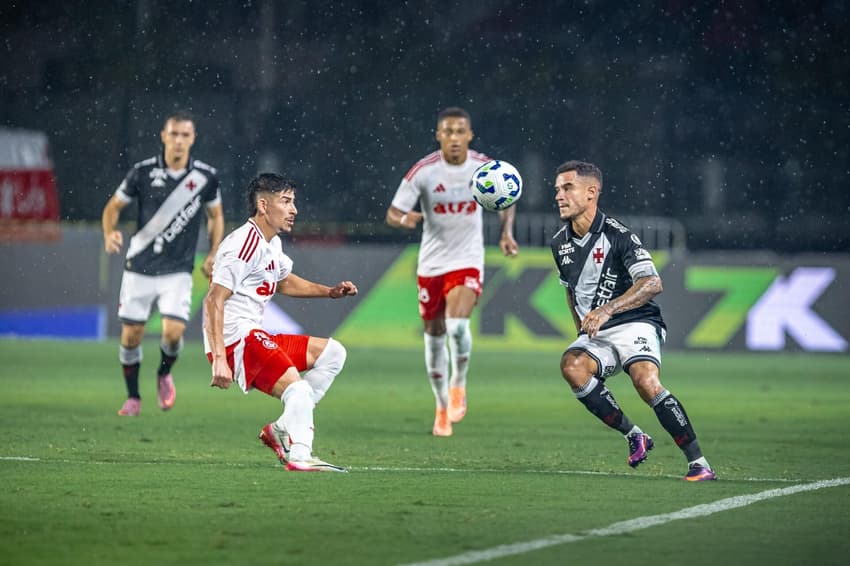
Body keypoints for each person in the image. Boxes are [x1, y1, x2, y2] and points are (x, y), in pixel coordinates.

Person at [549, 160, 716, 481]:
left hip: (636, 321)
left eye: (567, 188)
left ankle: (699, 463)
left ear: (590, 192)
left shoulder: (619, 235)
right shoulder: (559, 243)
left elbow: (653, 283)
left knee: (644, 381)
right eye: (557, 189)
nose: (559, 195)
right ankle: (634, 435)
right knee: (572, 365)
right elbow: (570, 290)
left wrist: (607, 309)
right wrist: (579, 328)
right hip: (598, 331)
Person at [203, 172, 357, 472]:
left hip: (253, 334)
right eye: (286, 201)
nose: (294, 210)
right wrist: (219, 359)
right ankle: (300, 454)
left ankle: (283, 427)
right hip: (235, 340)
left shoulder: (270, 243)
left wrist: (330, 292)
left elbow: (284, 282)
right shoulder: (243, 245)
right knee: (297, 390)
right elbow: (213, 299)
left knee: (333, 354)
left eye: (293, 202)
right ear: (263, 205)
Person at [386, 107, 519, 437]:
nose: (455, 138)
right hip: (431, 263)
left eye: (460, 131)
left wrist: (506, 232)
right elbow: (392, 212)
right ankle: (441, 407)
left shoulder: (484, 167)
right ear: (438, 135)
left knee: (458, 326)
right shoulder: (425, 171)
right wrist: (406, 219)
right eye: (448, 132)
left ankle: (458, 384)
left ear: (470, 135)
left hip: (468, 259)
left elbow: (509, 195)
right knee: (434, 340)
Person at [102, 110, 224, 417]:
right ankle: (133, 397)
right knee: (131, 338)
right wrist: (109, 232)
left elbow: (216, 216)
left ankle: (164, 372)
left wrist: (213, 253)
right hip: (139, 267)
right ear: (164, 136)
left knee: (172, 334)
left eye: (185, 135)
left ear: (193, 139)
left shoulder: (205, 177)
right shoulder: (142, 172)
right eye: (174, 134)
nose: (179, 141)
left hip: (177, 270)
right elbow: (113, 207)